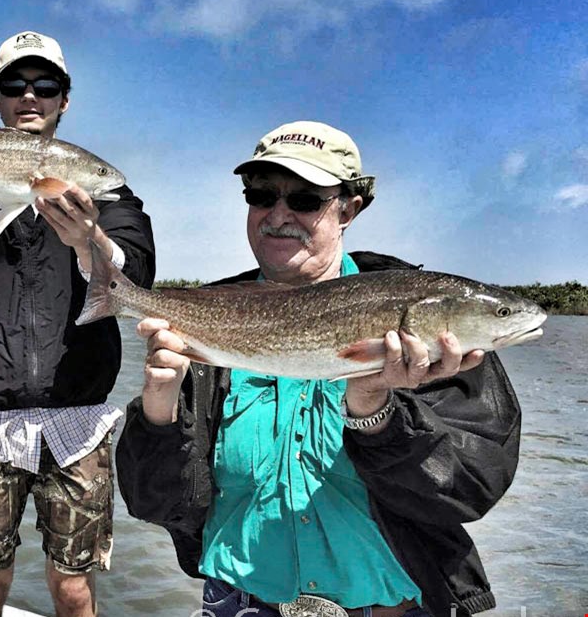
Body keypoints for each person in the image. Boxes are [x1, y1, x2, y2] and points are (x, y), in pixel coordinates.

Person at [116, 121, 521, 617]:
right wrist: (158, 412)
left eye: (306, 200)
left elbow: (469, 491)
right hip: (239, 606)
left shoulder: (435, 333)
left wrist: (375, 411)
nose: (278, 214)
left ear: (349, 208)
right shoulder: (207, 319)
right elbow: (152, 505)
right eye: (261, 195)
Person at [0, 31, 157, 617]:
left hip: (79, 422)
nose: (30, 96)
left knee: (73, 588)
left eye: (45, 86)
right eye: (15, 85)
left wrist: (90, 241)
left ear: (65, 99)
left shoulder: (99, 186)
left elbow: (135, 270)